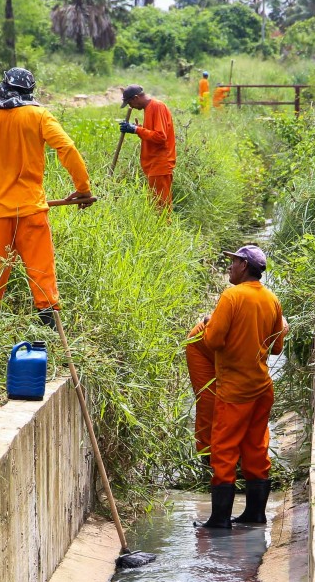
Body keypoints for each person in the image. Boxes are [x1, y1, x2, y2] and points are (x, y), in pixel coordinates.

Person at [0, 67, 92, 329]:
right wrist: (83, 188)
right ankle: (50, 328)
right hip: (32, 209)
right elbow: (66, 148)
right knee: (41, 271)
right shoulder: (39, 115)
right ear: (30, 91)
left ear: (3, 86)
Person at [195, 244, 286, 529]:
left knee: (223, 449)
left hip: (234, 390)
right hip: (261, 387)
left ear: (244, 266)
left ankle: (220, 519)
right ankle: (255, 514)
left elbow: (213, 342)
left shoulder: (231, 296)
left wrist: (209, 323)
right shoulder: (271, 299)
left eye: (233, 263)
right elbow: (277, 346)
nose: (229, 267)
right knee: (256, 447)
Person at [118, 85, 176, 209]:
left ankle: (165, 229)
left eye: (130, 103)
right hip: (154, 165)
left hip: (160, 164)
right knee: (156, 206)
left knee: (161, 208)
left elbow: (160, 137)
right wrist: (139, 129)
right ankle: (159, 228)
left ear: (136, 98)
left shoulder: (156, 106)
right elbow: (152, 136)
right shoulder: (148, 108)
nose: (131, 107)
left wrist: (137, 130)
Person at [185, 319, 215, 468]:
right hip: (201, 347)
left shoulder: (275, 324)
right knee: (209, 403)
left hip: (232, 352)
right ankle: (209, 462)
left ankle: (244, 462)